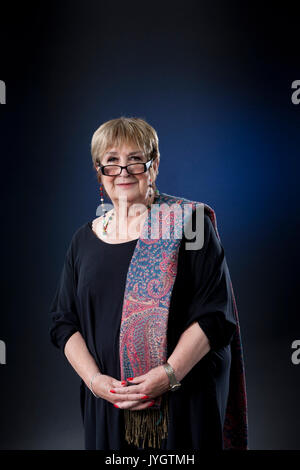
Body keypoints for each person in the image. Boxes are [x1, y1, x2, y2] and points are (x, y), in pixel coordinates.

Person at [49, 116, 248, 451]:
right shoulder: (83, 240)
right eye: (111, 161)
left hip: (182, 401)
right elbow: (63, 323)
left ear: (153, 167)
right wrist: (95, 381)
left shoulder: (190, 225)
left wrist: (168, 376)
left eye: (135, 159)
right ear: (99, 172)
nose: (123, 171)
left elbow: (215, 315)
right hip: (108, 404)